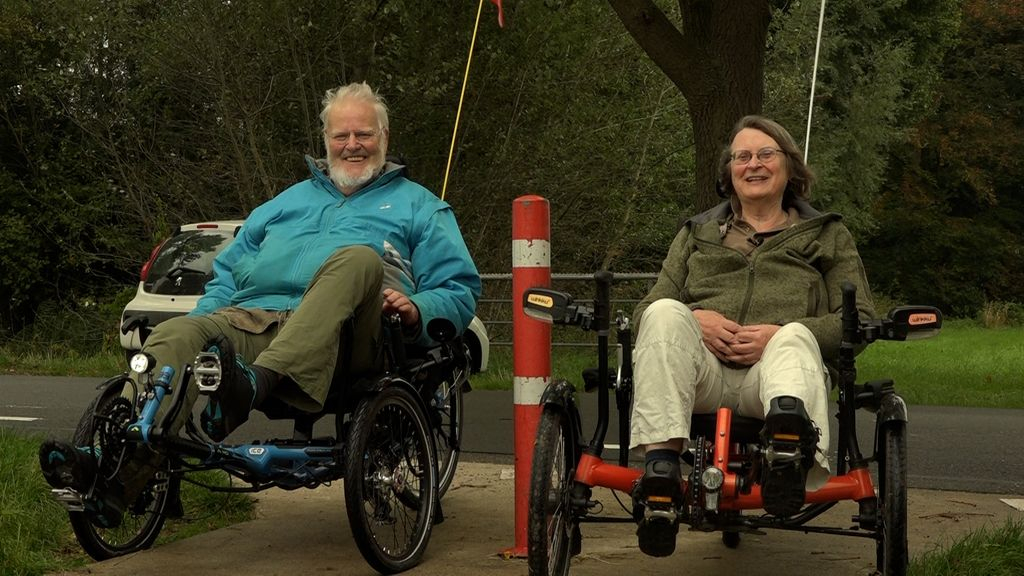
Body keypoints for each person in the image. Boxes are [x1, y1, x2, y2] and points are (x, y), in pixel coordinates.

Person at [39, 82, 481, 528]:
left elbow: (458, 287)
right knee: (178, 333)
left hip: (348, 338)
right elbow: (227, 274)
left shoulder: (421, 207)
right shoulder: (283, 203)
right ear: (326, 140)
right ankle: (112, 472)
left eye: (363, 134)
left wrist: (418, 308)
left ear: (384, 137)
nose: (352, 145)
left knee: (359, 259)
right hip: (252, 319)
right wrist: (204, 327)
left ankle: (253, 385)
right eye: (341, 135)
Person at [629, 115, 875, 557]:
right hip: (702, 375)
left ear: (791, 168)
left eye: (766, 154)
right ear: (729, 171)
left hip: (775, 378)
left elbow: (859, 321)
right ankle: (661, 476)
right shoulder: (696, 233)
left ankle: (786, 459)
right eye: (742, 156)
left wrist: (779, 334)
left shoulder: (827, 235)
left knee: (794, 334)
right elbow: (642, 313)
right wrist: (694, 319)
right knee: (664, 312)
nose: (753, 164)